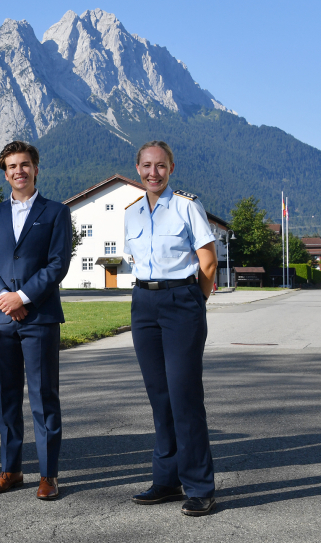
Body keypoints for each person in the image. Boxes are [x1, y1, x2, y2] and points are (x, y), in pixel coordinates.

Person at [122, 140, 218, 517]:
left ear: (171, 169)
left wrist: (195, 303)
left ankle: (200, 486)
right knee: (159, 397)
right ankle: (166, 479)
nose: (153, 173)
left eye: (160, 166)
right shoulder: (131, 214)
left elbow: (207, 263)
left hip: (182, 302)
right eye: (146, 166)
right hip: (143, 303)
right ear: (138, 168)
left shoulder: (187, 207)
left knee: (184, 397)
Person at [0, 140, 72, 501]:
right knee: (6, 398)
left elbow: (58, 264)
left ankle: (48, 475)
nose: (19, 171)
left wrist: (23, 297)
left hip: (40, 316)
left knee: (44, 398)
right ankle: (11, 469)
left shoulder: (57, 212)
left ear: (36, 168)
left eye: (25, 164)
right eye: (12, 166)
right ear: (5, 173)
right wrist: (4, 299)